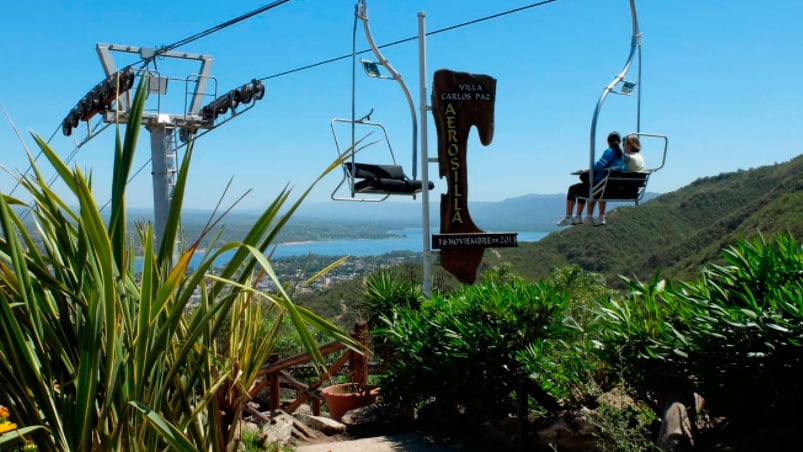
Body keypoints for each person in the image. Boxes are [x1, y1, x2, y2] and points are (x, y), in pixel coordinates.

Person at [556, 131, 624, 226]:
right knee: (583, 186)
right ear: (619, 142)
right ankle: (579, 216)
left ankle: (569, 216)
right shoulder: (622, 156)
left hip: (600, 186)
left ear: (608, 142)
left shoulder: (610, 152)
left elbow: (599, 166)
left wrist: (585, 170)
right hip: (612, 188)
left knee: (573, 189)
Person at [587, 133, 644, 225]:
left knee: (598, 186)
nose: (622, 147)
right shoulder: (640, 158)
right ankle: (600, 215)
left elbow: (615, 164)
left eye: (624, 145)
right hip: (633, 190)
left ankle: (588, 215)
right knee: (603, 185)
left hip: (620, 189)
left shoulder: (628, 158)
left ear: (630, 145)